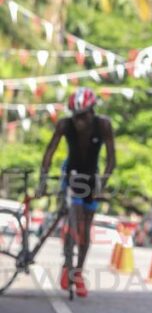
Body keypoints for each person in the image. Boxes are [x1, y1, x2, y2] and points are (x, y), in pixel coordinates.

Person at [38, 87, 116, 298]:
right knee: (74, 219)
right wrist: (42, 181)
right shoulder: (65, 124)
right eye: (76, 117)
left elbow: (111, 159)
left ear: (92, 112)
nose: (79, 122)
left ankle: (79, 271)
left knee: (86, 228)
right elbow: (49, 152)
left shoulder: (104, 125)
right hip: (71, 174)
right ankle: (67, 264)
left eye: (82, 117)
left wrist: (103, 184)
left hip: (92, 177)